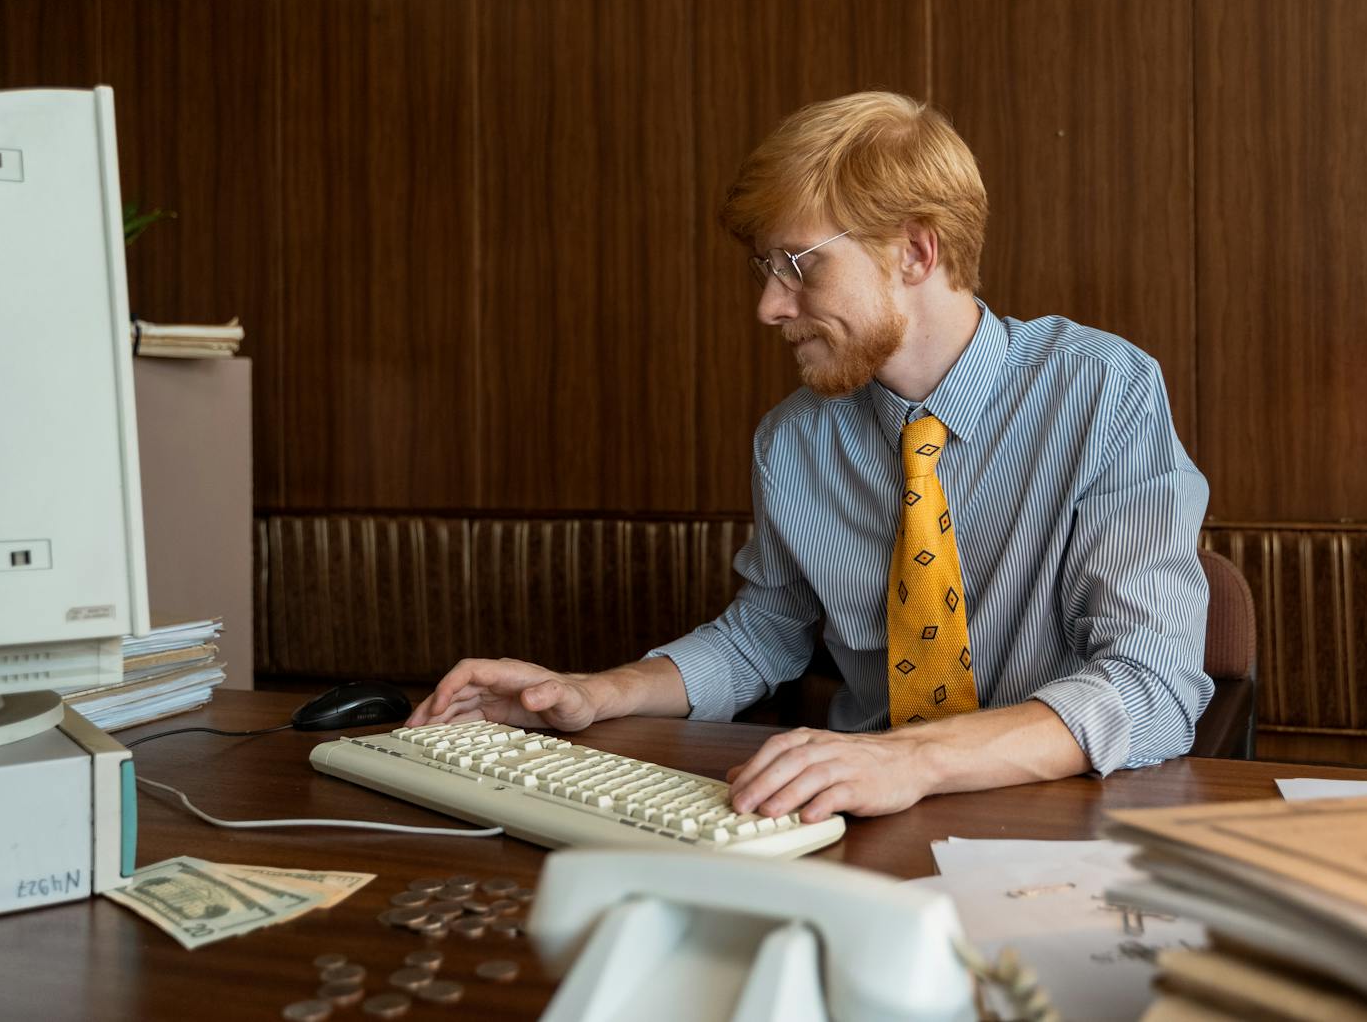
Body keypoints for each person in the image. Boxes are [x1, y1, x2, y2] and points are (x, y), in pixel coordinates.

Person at [408, 92, 1212, 824]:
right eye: (765, 269)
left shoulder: (1105, 390)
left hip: (1057, 830)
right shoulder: (793, 440)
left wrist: (912, 759)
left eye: (797, 265)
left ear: (916, 253)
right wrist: (592, 692)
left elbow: (1153, 686)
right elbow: (763, 638)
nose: (767, 306)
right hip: (853, 822)